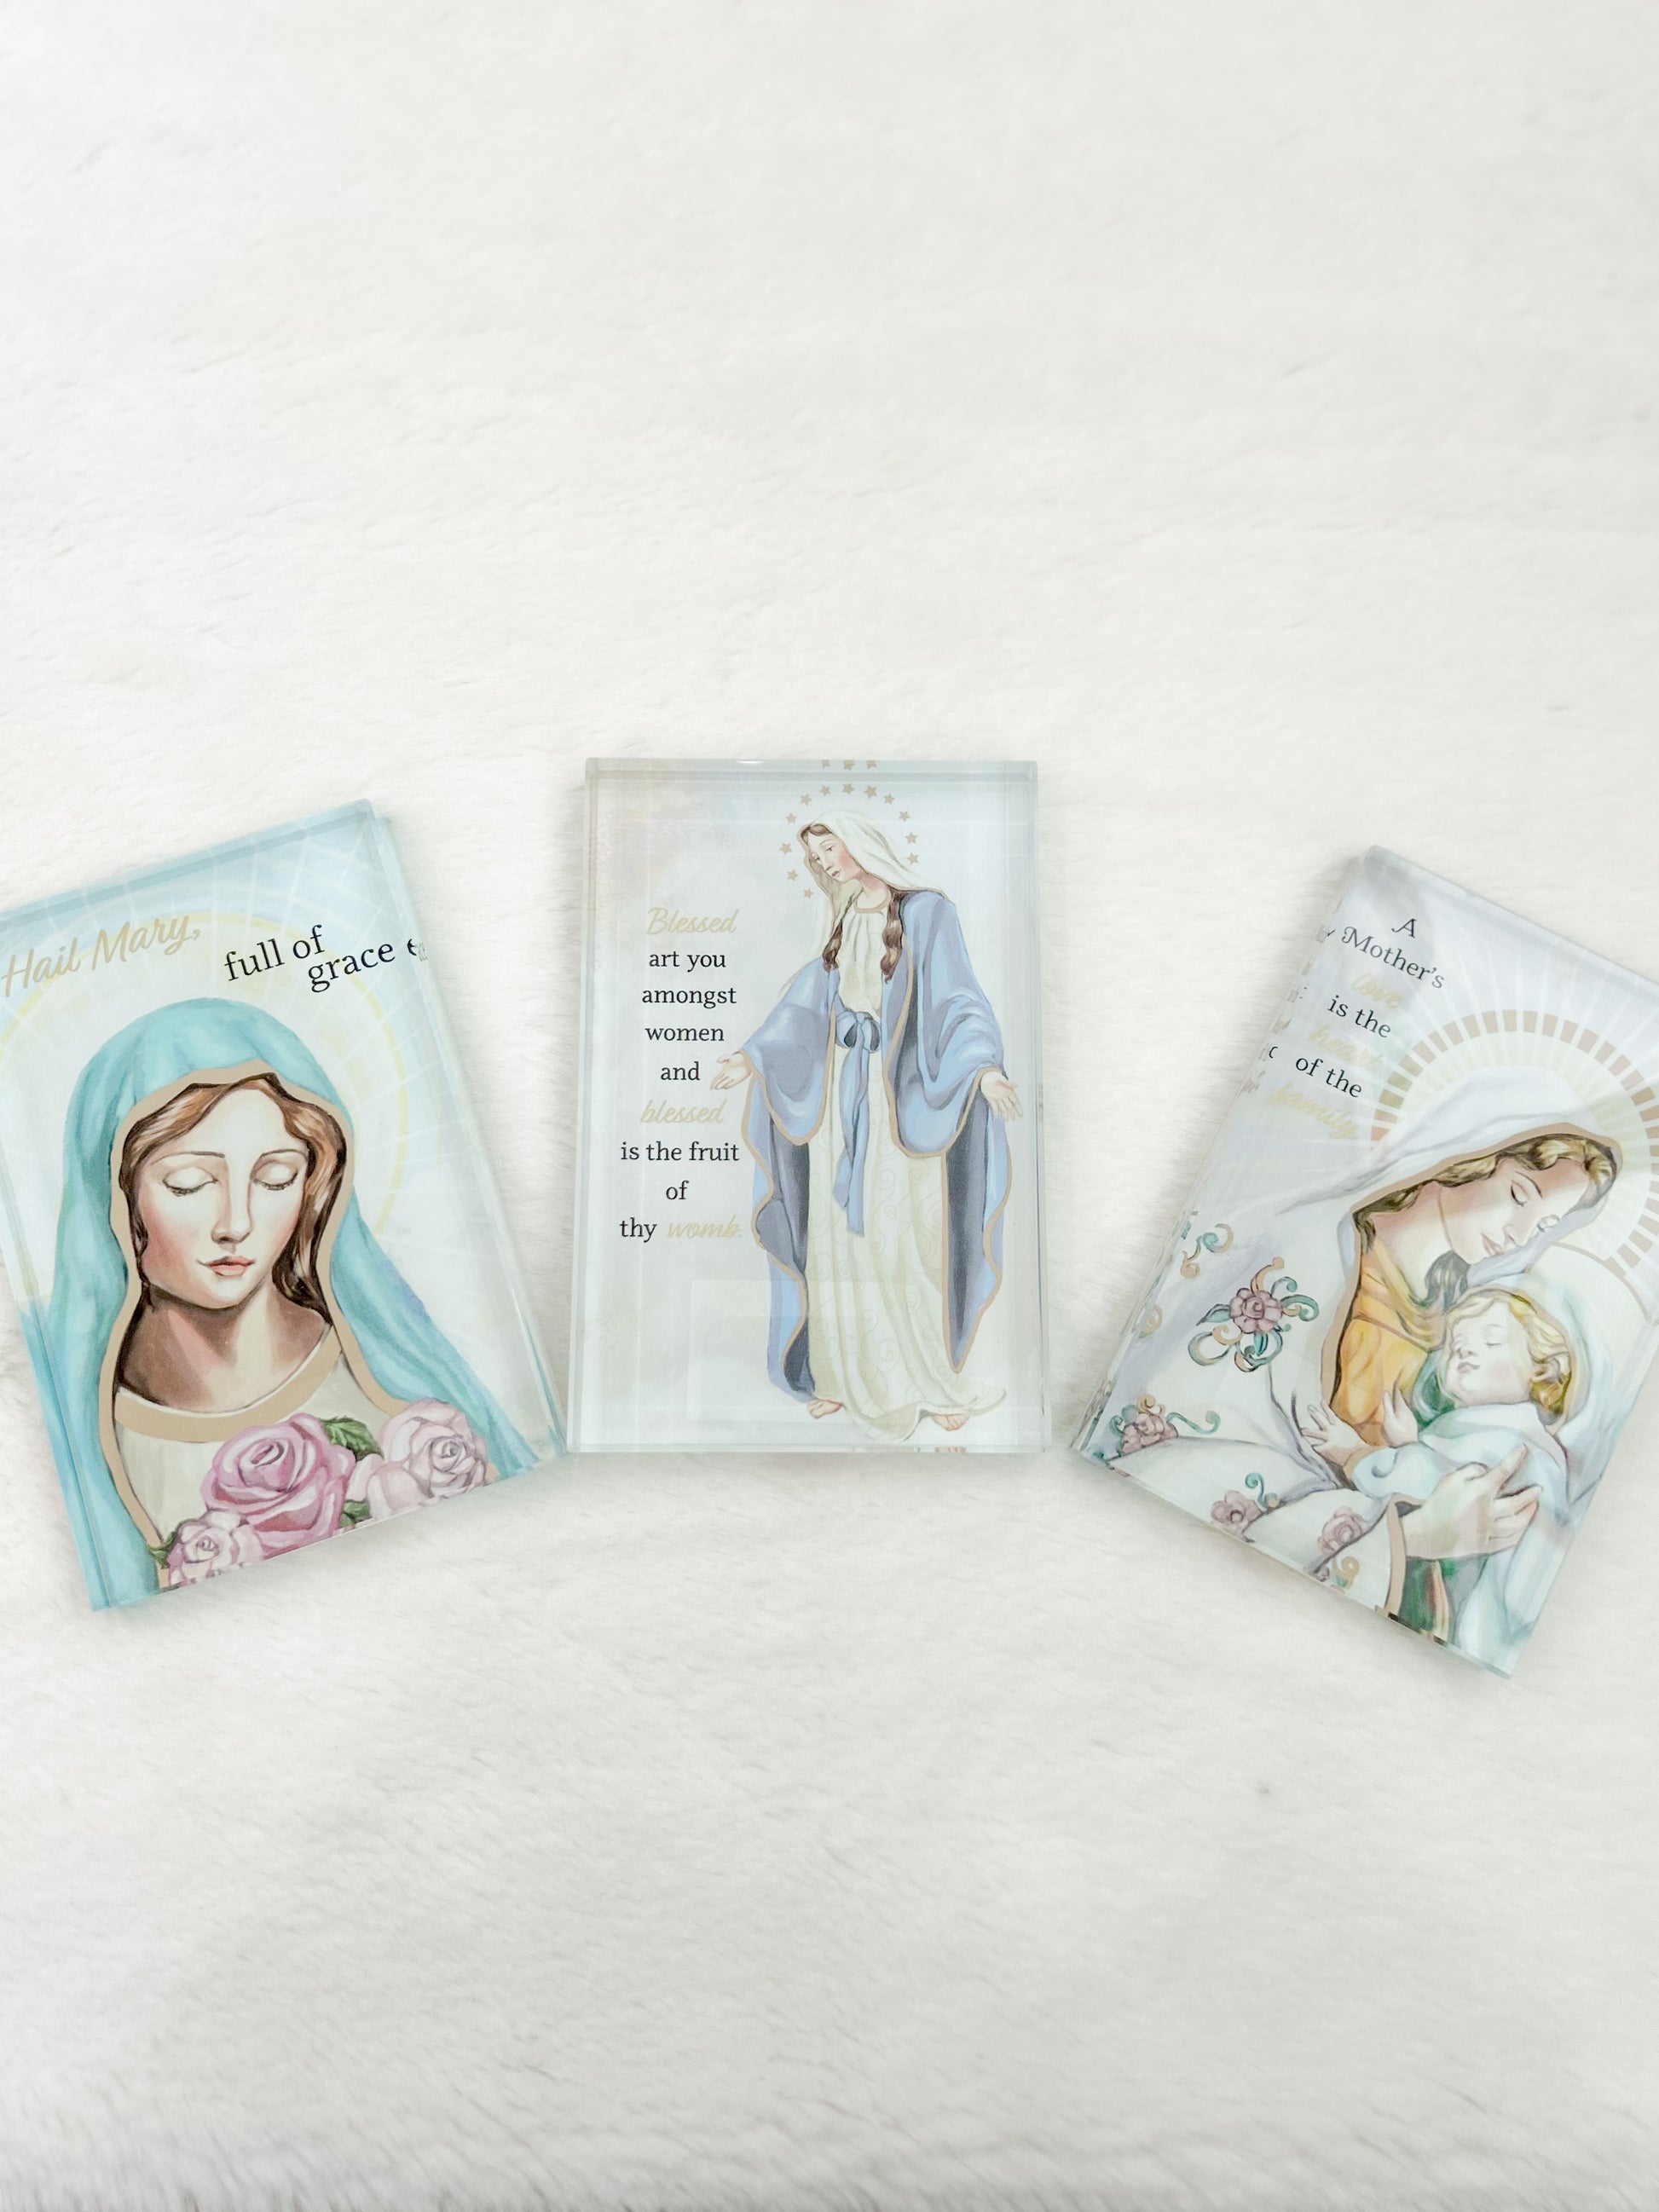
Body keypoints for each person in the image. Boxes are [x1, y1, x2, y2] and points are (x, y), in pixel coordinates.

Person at [26, 999, 533, 1603]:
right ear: (117, 1199)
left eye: (275, 1179)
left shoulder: (390, 1380)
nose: (236, 1223)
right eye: (189, 1183)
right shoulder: (71, 1427)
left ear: (315, 1189)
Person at [712, 814, 1019, 1441]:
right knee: (839, 1241)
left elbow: (958, 997)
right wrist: (753, 1055)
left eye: (831, 847)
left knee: (906, 1238)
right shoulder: (848, 912)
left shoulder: (927, 911)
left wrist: (984, 1068)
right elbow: (810, 998)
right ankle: (840, 1377)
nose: (825, 861)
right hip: (840, 1100)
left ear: (861, 840)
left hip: (897, 1100)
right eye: (816, 854)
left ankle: (930, 1381)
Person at [1300, 1288, 1575, 1671]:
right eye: (1456, 1346)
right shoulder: (1502, 1435)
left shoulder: (1508, 1440)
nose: (1465, 1350)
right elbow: (1441, 1477)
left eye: (1491, 1340)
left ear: (1541, 1370)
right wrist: (1413, 1445)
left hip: (1471, 1619)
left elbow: (1424, 1483)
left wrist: (1354, 1453)